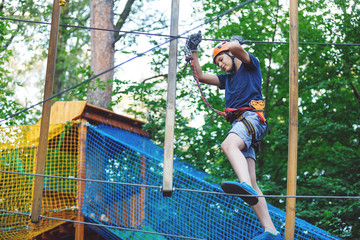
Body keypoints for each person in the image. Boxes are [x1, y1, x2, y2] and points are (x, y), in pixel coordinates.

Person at [186, 31, 282, 240]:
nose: (220, 65)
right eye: (217, 62)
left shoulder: (250, 65)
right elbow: (201, 76)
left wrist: (235, 43)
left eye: (221, 59)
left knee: (229, 145)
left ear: (231, 54)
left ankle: (244, 184)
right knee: (253, 182)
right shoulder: (226, 80)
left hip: (251, 118)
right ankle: (271, 230)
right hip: (244, 124)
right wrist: (193, 51)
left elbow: (239, 49)